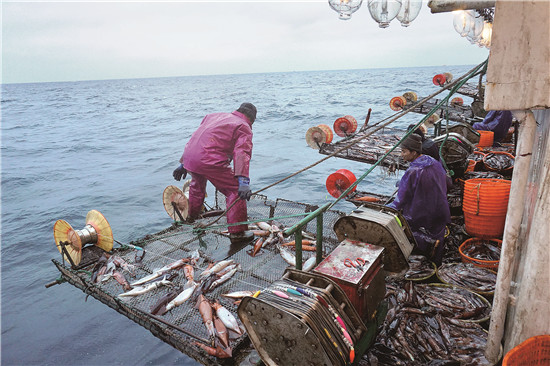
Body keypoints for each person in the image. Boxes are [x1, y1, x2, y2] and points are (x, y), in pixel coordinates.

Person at [172, 103, 257, 242]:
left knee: (197, 186)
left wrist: (183, 163)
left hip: (191, 158)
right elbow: (242, 152)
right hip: (210, 160)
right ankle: (237, 233)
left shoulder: (212, 116)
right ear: (252, 118)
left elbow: (197, 138)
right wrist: (243, 181)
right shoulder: (244, 126)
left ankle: (191, 218)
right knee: (234, 190)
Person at [388, 133, 451, 265]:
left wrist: (386, 210)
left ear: (414, 152)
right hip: (441, 210)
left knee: (415, 237)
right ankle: (437, 265)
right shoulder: (434, 162)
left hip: (422, 215)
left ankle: (424, 263)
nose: (402, 155)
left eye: (404, 151)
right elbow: (447, 182)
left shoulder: (413, 171)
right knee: (438, 239)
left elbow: (400, 200)